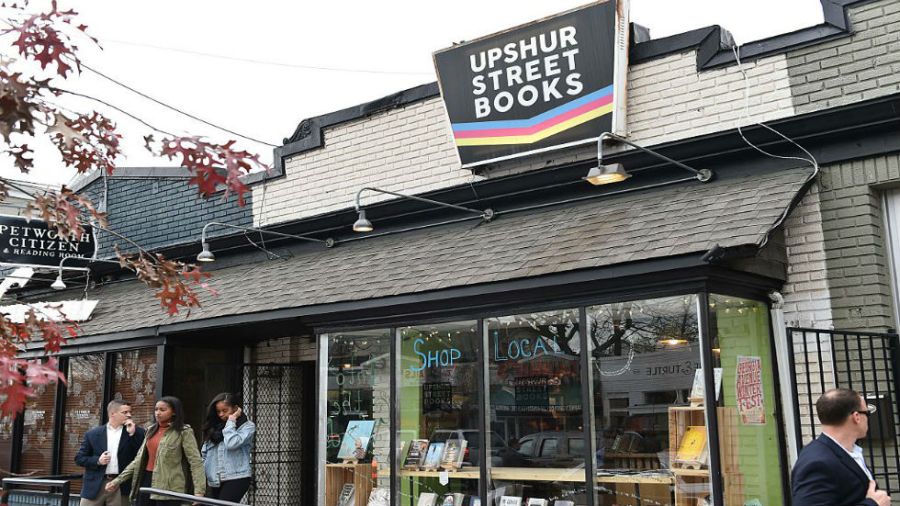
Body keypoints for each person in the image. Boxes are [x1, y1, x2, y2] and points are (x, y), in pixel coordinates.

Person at [791, 388, 891, 506]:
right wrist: (872, 504)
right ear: (856, 417)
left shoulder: (848, 451)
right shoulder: (817, 462)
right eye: (867, 413)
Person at [105, 396, 206, 506]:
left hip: (169, 486)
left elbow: (195, 462)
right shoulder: (150, 430)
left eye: (162, 410)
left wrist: (199, 491)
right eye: (156, 409)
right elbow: (138, 461)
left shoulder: (183, 431)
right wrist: (117, 480)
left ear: (174, 412)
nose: (158, 413)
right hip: (146, 480)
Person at [75, 400, 146, 506]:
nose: (129, 415)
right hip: (95, 485)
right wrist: (98, 461)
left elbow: (141, 456)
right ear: (113, 413)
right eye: (125, 412)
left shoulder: (137, 432)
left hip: (121, 484)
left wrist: (133, 434)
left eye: (130, 412)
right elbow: (79, 458)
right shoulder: (93, 434)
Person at [201, 392, 256, 503]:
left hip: (237, 477)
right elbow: (205, 453)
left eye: (225, 411)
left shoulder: (247, 426)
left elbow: (232, 443)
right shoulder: (214, 428)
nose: (221, 414)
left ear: (235, 408)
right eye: (218, 411)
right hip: (215, 479)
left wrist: (231, 421)